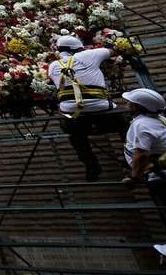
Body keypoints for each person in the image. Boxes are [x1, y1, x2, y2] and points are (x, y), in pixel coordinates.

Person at [122, 88, 166, 242]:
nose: (127, 104)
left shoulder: (142, 124)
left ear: (139, 107)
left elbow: (142, 154)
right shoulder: (163, 120)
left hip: (163, 181)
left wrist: (134, 178)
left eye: (130, 102)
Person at [47, 33, 116, 181]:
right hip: (100, 107)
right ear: (78, 49)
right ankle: (130, 155)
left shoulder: (52, 66)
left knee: (74, 134)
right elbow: (111, 52)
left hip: (71, 112)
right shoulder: (89, 55)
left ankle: (90, 163)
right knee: (127, 124)